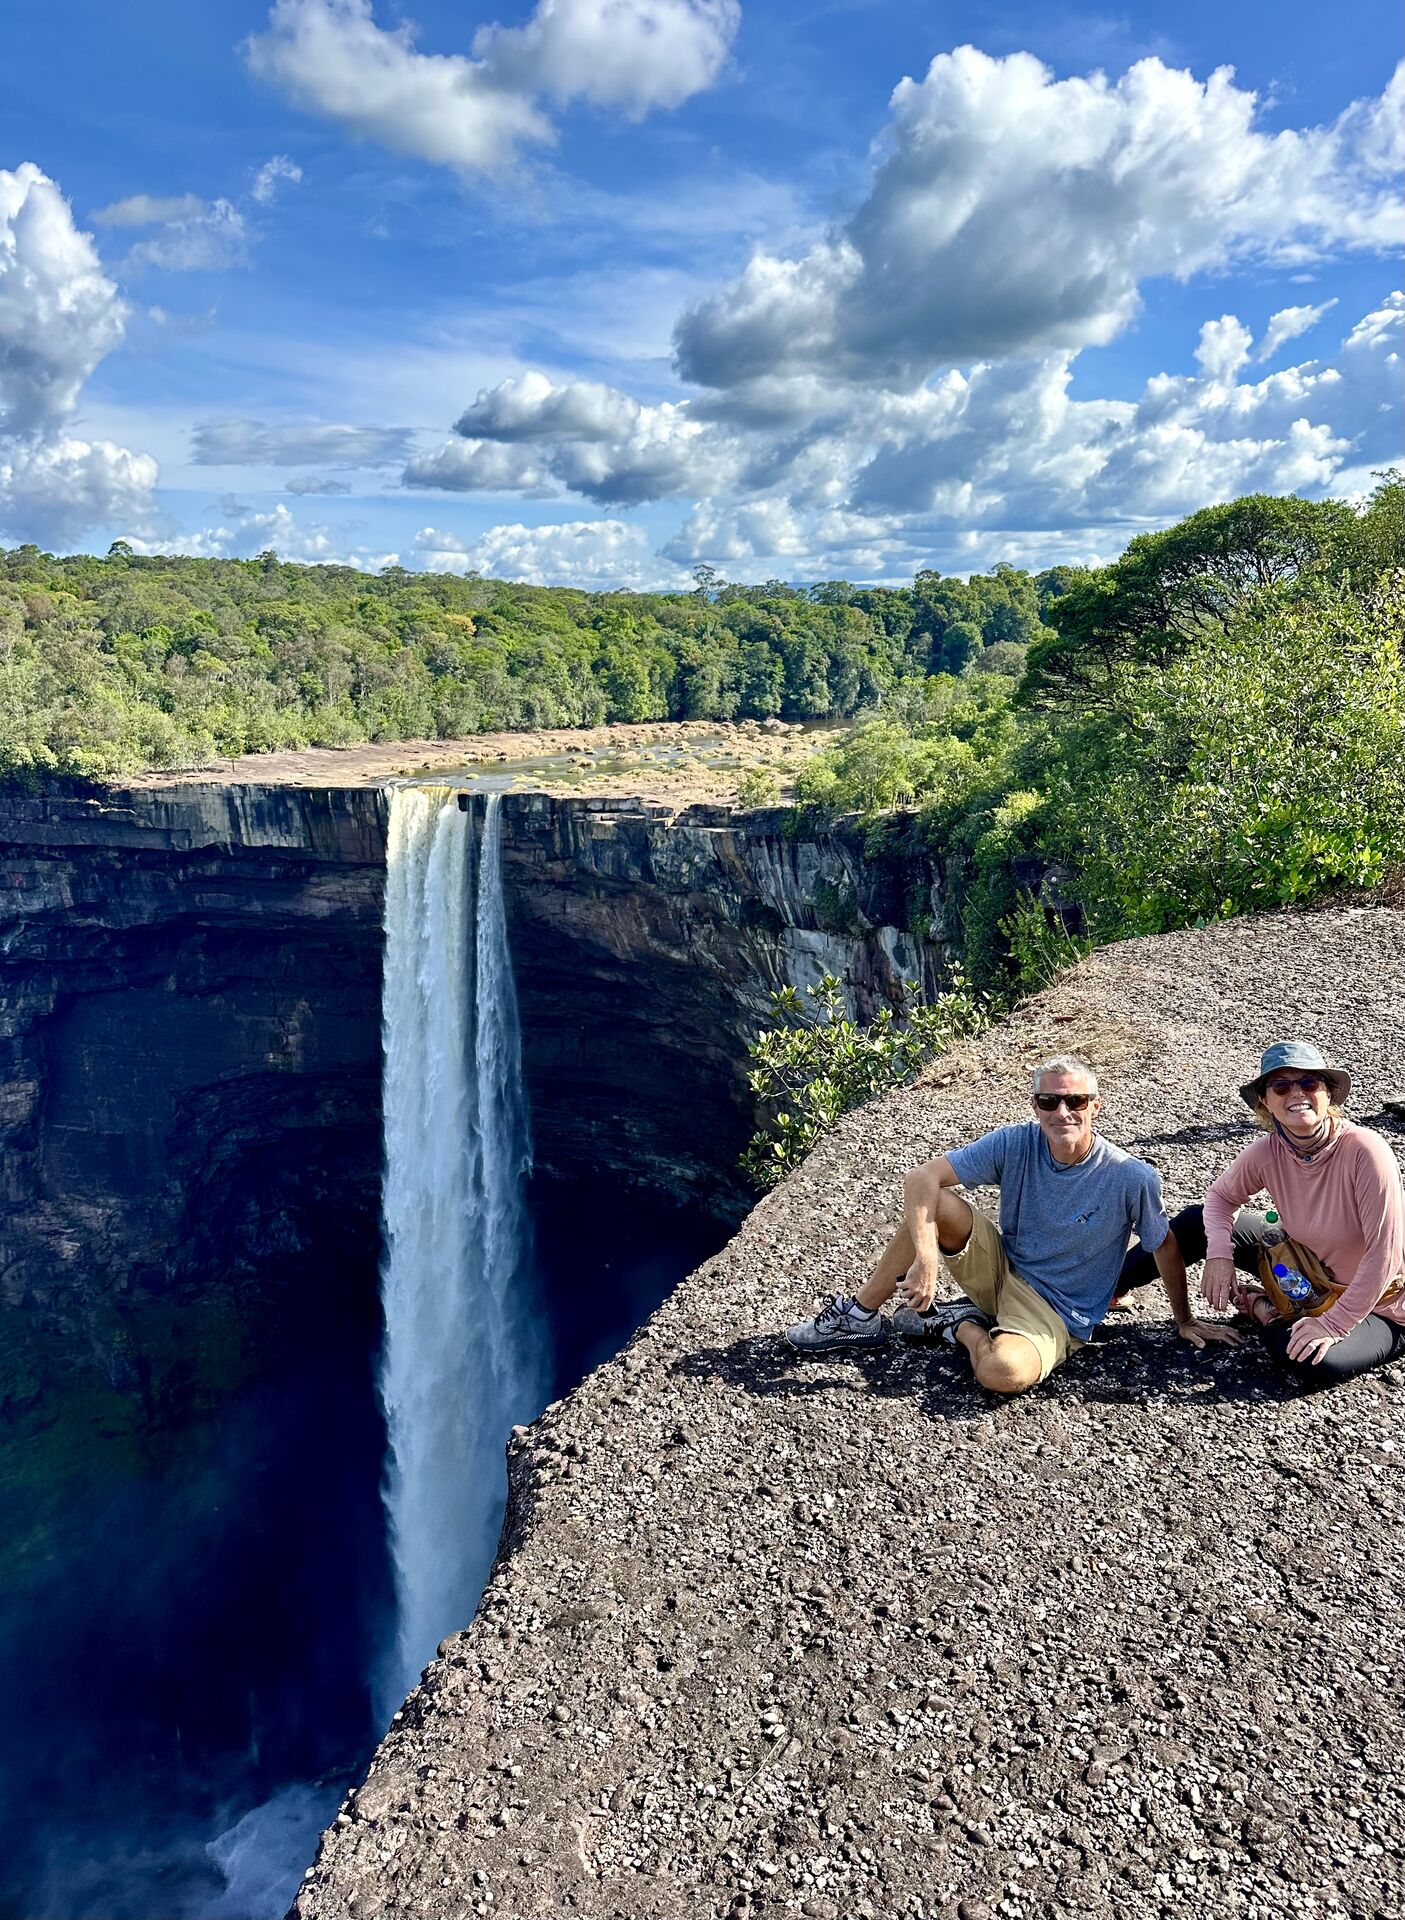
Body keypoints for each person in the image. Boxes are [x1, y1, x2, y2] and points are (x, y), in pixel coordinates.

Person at [785, 1054, 1236, 1395]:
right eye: (1049, 1101)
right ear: (1035, 1106)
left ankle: (953, 1324)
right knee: (934, 1201)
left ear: (1095, 1106)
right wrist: (927, 1260)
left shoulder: (1128, 1176)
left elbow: (1164, 1244)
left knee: (1003, 1373)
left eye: (1076, 1100)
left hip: (1056, 1309)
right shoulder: (1015, 1143)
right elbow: (922, 1178)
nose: (1063, 1112)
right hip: (1002, 1268)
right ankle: (860, 1315)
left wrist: (1184, 1320)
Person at [1123, 1042, 1404, 1388]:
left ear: (1329, 1094)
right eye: (1281, 1086)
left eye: (1309, 1083)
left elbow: (1385, 1253)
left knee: (1309, 1358)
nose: (1297, 1093)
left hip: (1381, 1305)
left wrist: (1333, 1323)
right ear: (1264, 1102)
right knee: (1193, 1223)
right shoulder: (1268, 1150)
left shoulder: (1366, 1150)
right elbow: (1220, 1198)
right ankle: (1102, 1291)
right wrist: (1219, 1254)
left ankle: (1264, 1307)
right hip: (1299, 1266)